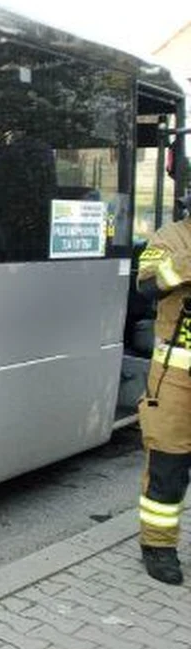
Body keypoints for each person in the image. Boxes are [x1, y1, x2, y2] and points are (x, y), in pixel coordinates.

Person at [135, 210, 191, 584]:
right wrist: (185, 263)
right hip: (176, 375)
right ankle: (158, 546)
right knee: (168, 463)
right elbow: (146, 284)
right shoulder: (170, 237)